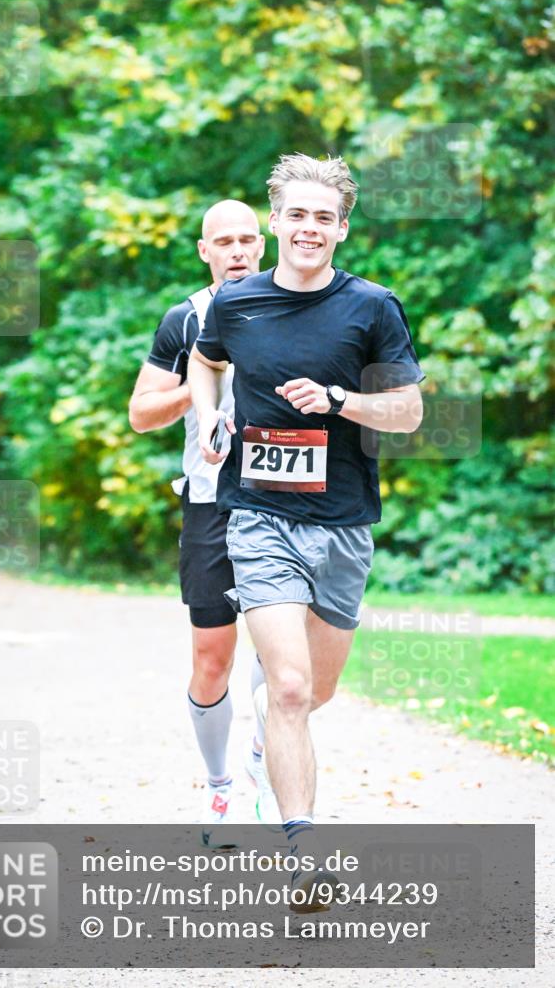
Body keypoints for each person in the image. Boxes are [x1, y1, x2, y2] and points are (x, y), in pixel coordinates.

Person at [188, 153, 425, 906]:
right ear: (276, 223)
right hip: (257, 514)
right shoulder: (236, 304)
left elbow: (408, 411)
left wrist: (339, 401)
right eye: (297, 214)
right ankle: (302, 853)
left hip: (344, 523)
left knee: (311, 692)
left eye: (324, 217)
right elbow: (203, 357)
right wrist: (208, 418)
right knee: (286, 685)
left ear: (341, 229)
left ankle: (274, 734)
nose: (309, 228)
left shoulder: (372, 307)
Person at [129, 200, 279, 845]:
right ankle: (220, 784)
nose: (239, 249)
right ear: (204, 250)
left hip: (282, 498)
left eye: (249, 238)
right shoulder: (185, 319)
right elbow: (140, 413)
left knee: (280, 654)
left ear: (264, 245)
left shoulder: (296, 305)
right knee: (212, 658)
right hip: (210, 500)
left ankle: (263, 775)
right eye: (225, 241)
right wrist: (202, 378)